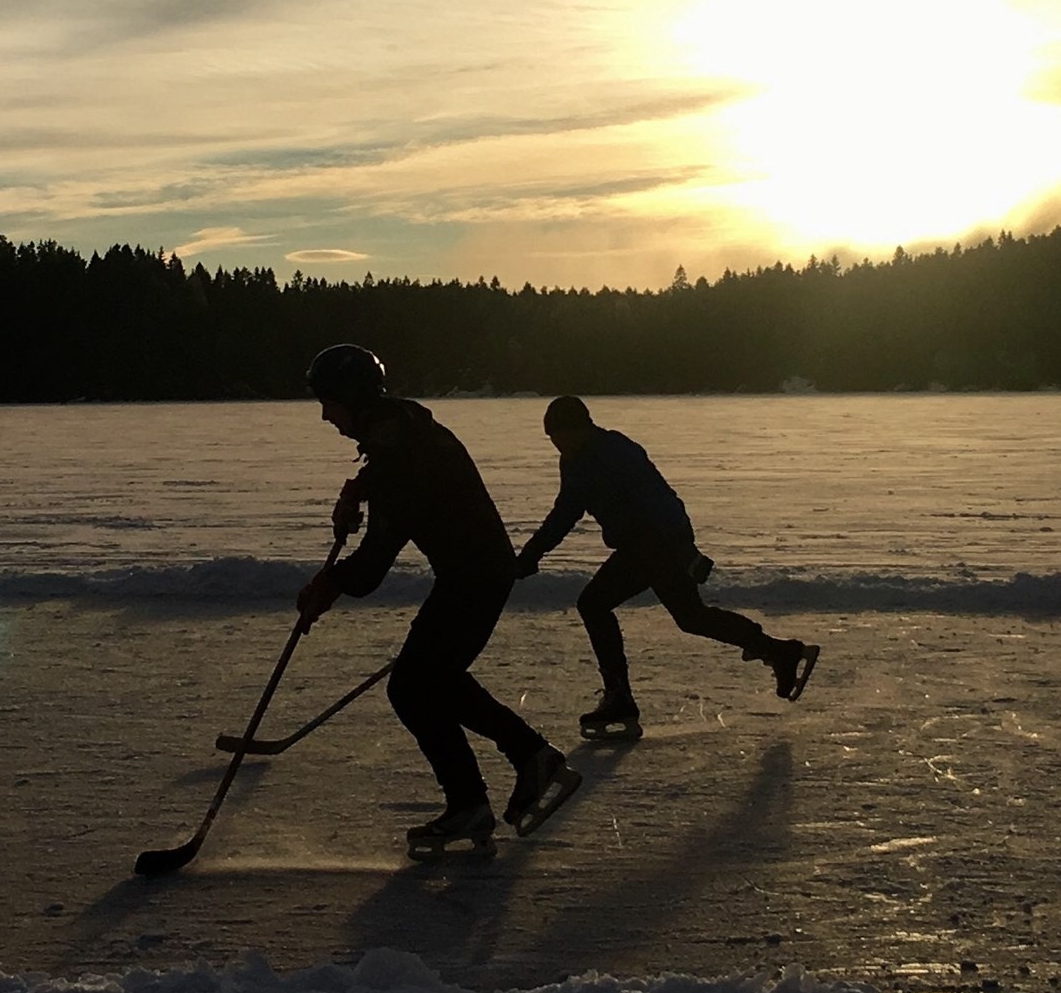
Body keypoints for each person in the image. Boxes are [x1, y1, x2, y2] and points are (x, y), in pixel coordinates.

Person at [296, 345, 580, 860]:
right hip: (476, 572)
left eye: (328, 401)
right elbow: (396, 483)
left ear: (354, 399)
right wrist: (359, 489)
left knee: (415, 686)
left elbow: (373, 565)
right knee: (432, 680)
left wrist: (328, 585)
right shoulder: (401, 428)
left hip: (474, 577)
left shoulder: (399, 454)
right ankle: (522, 764)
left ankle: (495, 784)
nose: (324, 414)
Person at [516, 396, 816, 740]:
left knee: (597, 604)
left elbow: (659, 500)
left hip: (658, 544)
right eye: (552, 437)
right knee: (691, 617)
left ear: (580, 428)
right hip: (641, 547)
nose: (556, 443)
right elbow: (565, 512)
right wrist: (532, 554)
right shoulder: (575, 460)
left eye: (560, 435)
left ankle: (620, 696)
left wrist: (684, 551)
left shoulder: (615, 452)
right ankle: (779, 651)